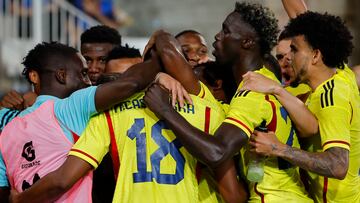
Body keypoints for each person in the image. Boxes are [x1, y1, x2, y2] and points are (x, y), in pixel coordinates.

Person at [10, 32, 246, 203]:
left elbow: (63, 179)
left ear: (141, 70)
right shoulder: (207, 108)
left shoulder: (106, 115)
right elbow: (232, 195)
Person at [144, 2, 313, 202]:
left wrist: (166, 111)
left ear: (247, 42)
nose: (217, 36)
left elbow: (218, 152)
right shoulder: (268, 74)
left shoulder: (250, 93)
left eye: (226, 31)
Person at [0, 41, 162, 202]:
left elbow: (2, 190)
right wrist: (161, 49)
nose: (89, 81)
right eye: (83, 74)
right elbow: (133, 83)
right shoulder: (72, 106)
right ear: (61, 75)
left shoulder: (5, 127)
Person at [241, 11, 359, 203]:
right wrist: (277, 89)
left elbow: (338, 166)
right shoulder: (340, 77)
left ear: (315, 55)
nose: (289, 57)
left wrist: (277, 148)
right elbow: (300, 12)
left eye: (294, 50)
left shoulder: (332, 98)